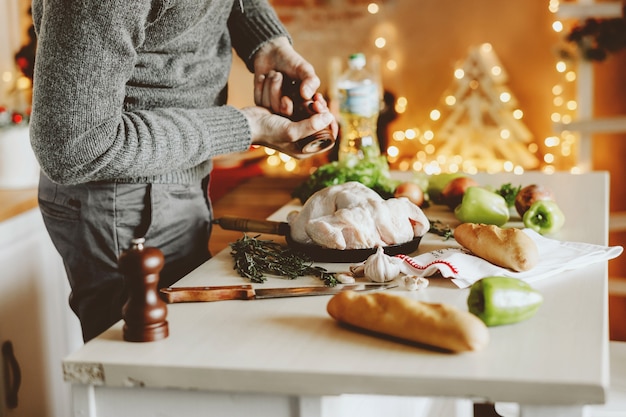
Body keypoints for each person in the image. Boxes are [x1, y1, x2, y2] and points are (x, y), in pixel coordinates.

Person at [29, 0, 337, 342]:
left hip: (175, 172)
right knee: (147, 378)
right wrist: (247, 126)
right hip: (123, 197)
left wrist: (267, 43)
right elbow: (73, 147)